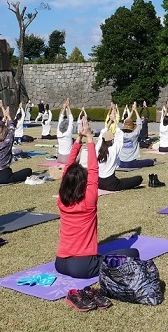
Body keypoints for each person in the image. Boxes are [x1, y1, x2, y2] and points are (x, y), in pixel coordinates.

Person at [56, 119, 102, 279]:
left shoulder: (62, 200)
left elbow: (67, 169)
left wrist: (79, 139)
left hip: (60, 263)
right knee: (131, 252)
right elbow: (94, 170)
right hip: (83, 266)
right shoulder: (89, 200)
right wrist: (89, 137)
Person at [0, 105, 33, 184]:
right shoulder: (6, 143)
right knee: (28, 171)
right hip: (5, 176)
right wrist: (8, 116)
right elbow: (12, 128)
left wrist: (4, 119)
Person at [96, 127, 144, 192]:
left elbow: (100, 137)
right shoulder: (113, 150)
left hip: (99, 183)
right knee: (138, 179)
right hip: (111, 184)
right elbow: (120, 137)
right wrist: (115, 122)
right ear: (112, 140)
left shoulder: (98, 149)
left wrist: (108, 124)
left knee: (126, 180)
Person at [118, 102, 155, 168]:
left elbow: (125, 122)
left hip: (120, 162)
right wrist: (135, 110)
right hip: (131, 163)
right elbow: (139, 123)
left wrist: (132, 110)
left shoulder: (120, 134)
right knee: (150, 161)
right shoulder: (134, 134)